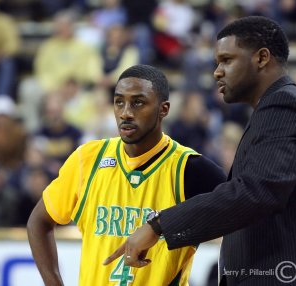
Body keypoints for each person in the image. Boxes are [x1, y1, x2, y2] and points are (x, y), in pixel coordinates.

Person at [104, 16, 296, 285]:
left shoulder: (284, 108)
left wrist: (159, 225)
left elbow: (256, 192)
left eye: (227, 60)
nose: (217, 71)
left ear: (262, 58)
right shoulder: (280, 108)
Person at [27, 64, 226, 285]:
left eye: (138, 103)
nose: (125, 113)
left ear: (164, 109)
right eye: (119, 102)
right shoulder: (88, 159)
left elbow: (244, 214)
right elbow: (38, 222)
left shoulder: (190, 168)